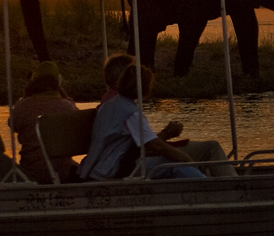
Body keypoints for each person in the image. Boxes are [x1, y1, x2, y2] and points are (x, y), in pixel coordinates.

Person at [98, 54, 236, 177]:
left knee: (183, 157)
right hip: (125, 163)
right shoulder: (125, 108)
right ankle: (227, 188)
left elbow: (143, 142)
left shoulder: (117, 102)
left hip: (129, 157)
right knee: (200, 152)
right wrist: (182, 154)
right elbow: (151, 146)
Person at [79, 64, 208, 181]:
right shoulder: (130, 113)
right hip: (113, 168)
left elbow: (145, 144)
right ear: (146, 88)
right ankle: (208, 187)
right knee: (175, 165)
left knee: (171, 160)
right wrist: (185, 158)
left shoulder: (112, 105)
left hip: (105, 164)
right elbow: (156, 146)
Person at [10, 61, 79, 183]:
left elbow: (13, 125)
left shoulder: (22, 106)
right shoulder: (67, 107)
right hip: (62, 173)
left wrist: (26, 95)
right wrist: (64, 95)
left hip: (30, 172)